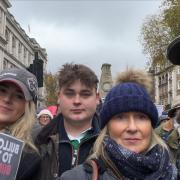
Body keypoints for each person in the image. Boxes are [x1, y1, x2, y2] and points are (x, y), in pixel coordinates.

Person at [60, 69, 177, 180]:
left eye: (141, 117)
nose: (132, 127)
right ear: (107, 127)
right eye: (120, 117)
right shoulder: (76, 177)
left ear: (151, 125)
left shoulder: (172, 171)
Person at [35, 63, 101, 179]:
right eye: (69, 94)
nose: (76, 101)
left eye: (85, 94)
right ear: (59, 97)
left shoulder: (112, 144)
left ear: (97, 98)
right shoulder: (35, 141)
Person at [0, 68, 40, 180]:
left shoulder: (29, 154)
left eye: (19, 96)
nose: (7, 99)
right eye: (2, 90)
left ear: (27, 107)